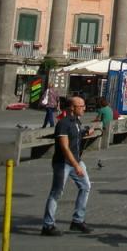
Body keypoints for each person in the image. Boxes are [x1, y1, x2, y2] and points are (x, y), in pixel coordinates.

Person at [41, 96, 92, 235]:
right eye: (81, 106)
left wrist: (85, 132)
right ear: (71, 108)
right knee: (56, 193)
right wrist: (76, 166)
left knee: (86, 187)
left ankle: (77, 220)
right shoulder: (63, 123)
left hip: (76, 160)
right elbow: (64, 147)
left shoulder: (76, 121)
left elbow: (75, 135)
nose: (84, 108)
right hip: (63, 163)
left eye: (83, 105)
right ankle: (48, 225)